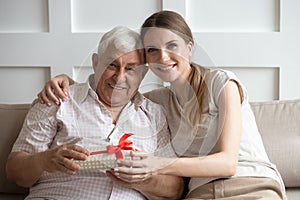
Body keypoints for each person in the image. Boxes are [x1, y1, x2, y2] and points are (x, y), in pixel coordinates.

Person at [37, 11, 287, 199]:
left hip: (250, 184)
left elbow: (228, 162)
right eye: (153, 50)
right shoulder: (158, 103)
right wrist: (67, 82)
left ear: (189, 49)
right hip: (201, 193)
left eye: (172, 46)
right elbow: (108, 88)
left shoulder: (221, 83)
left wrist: (156, 164)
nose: (163, 58)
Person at [6, 26, 183, 200]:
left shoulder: (154, 115)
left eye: (130, 68)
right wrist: (44, 160)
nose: (119, 77)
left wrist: (141, 179)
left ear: (143, 74)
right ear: (95, 63)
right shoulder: (58, 99)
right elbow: (14, 171)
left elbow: (175, 189)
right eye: (112, 65)